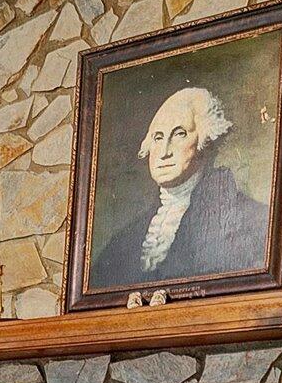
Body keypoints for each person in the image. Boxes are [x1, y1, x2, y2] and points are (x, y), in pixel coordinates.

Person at [87, 83, 270, 293]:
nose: (164, 151)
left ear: (206, 141)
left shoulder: (252, 220)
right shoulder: (124, 240)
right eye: (158, 137)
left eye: (179, 134)